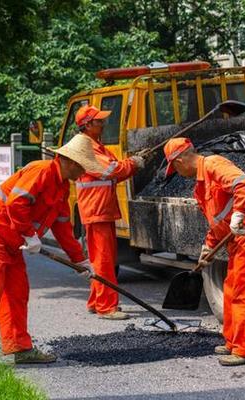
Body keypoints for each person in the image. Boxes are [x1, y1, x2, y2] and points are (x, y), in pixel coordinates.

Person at [0, 134, 101, 363]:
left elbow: (63, 228)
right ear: (70, 161)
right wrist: (30, 235)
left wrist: (79, 260)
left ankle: (19, 349)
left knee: (17, 293)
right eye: (83, 167)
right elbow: (15, 204)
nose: (84, 173)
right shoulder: (41, 171)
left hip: (11, 243)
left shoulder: (61, 187)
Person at [163, 138, 245, 366]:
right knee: (231, 290)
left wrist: (239, 214)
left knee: (244, 292)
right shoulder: (200, 187)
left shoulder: (214, 164)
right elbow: (218, 220)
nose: (176, 171)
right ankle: (232, 342)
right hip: (236, 239)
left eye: (174, 166)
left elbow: (244, 185)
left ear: (182, 159)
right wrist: (209, 247)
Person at [74, 105, 145, 320]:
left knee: (99, 259)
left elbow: (113, 167)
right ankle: (106, 307)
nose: (103, 124)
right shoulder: (87, 147)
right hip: (97, 209)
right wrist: (133, 164)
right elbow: (111, 170)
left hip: (99, 208)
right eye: (98, 121)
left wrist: (131, 162)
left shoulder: (95, 145)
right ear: (87, 125)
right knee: (104, 260)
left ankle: (97, 301)